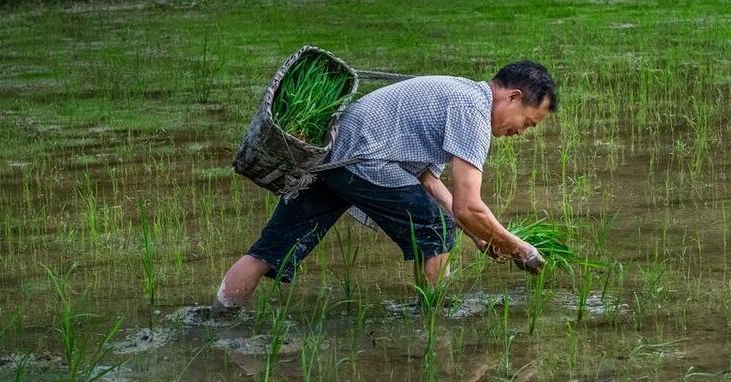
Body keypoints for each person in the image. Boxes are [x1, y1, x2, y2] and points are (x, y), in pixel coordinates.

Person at [212, 61, 558, 315]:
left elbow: (427, 178)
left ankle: (219, 316)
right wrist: (520, 250)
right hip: (363, 161)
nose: (521, 132)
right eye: (527, 122)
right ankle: (431, 319)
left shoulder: (459, 92)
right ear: (512, 97)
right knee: (435, 228)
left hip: (332, 158)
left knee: (271, 249)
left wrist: (481, 236)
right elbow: (468, 207)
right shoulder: (474, 110)